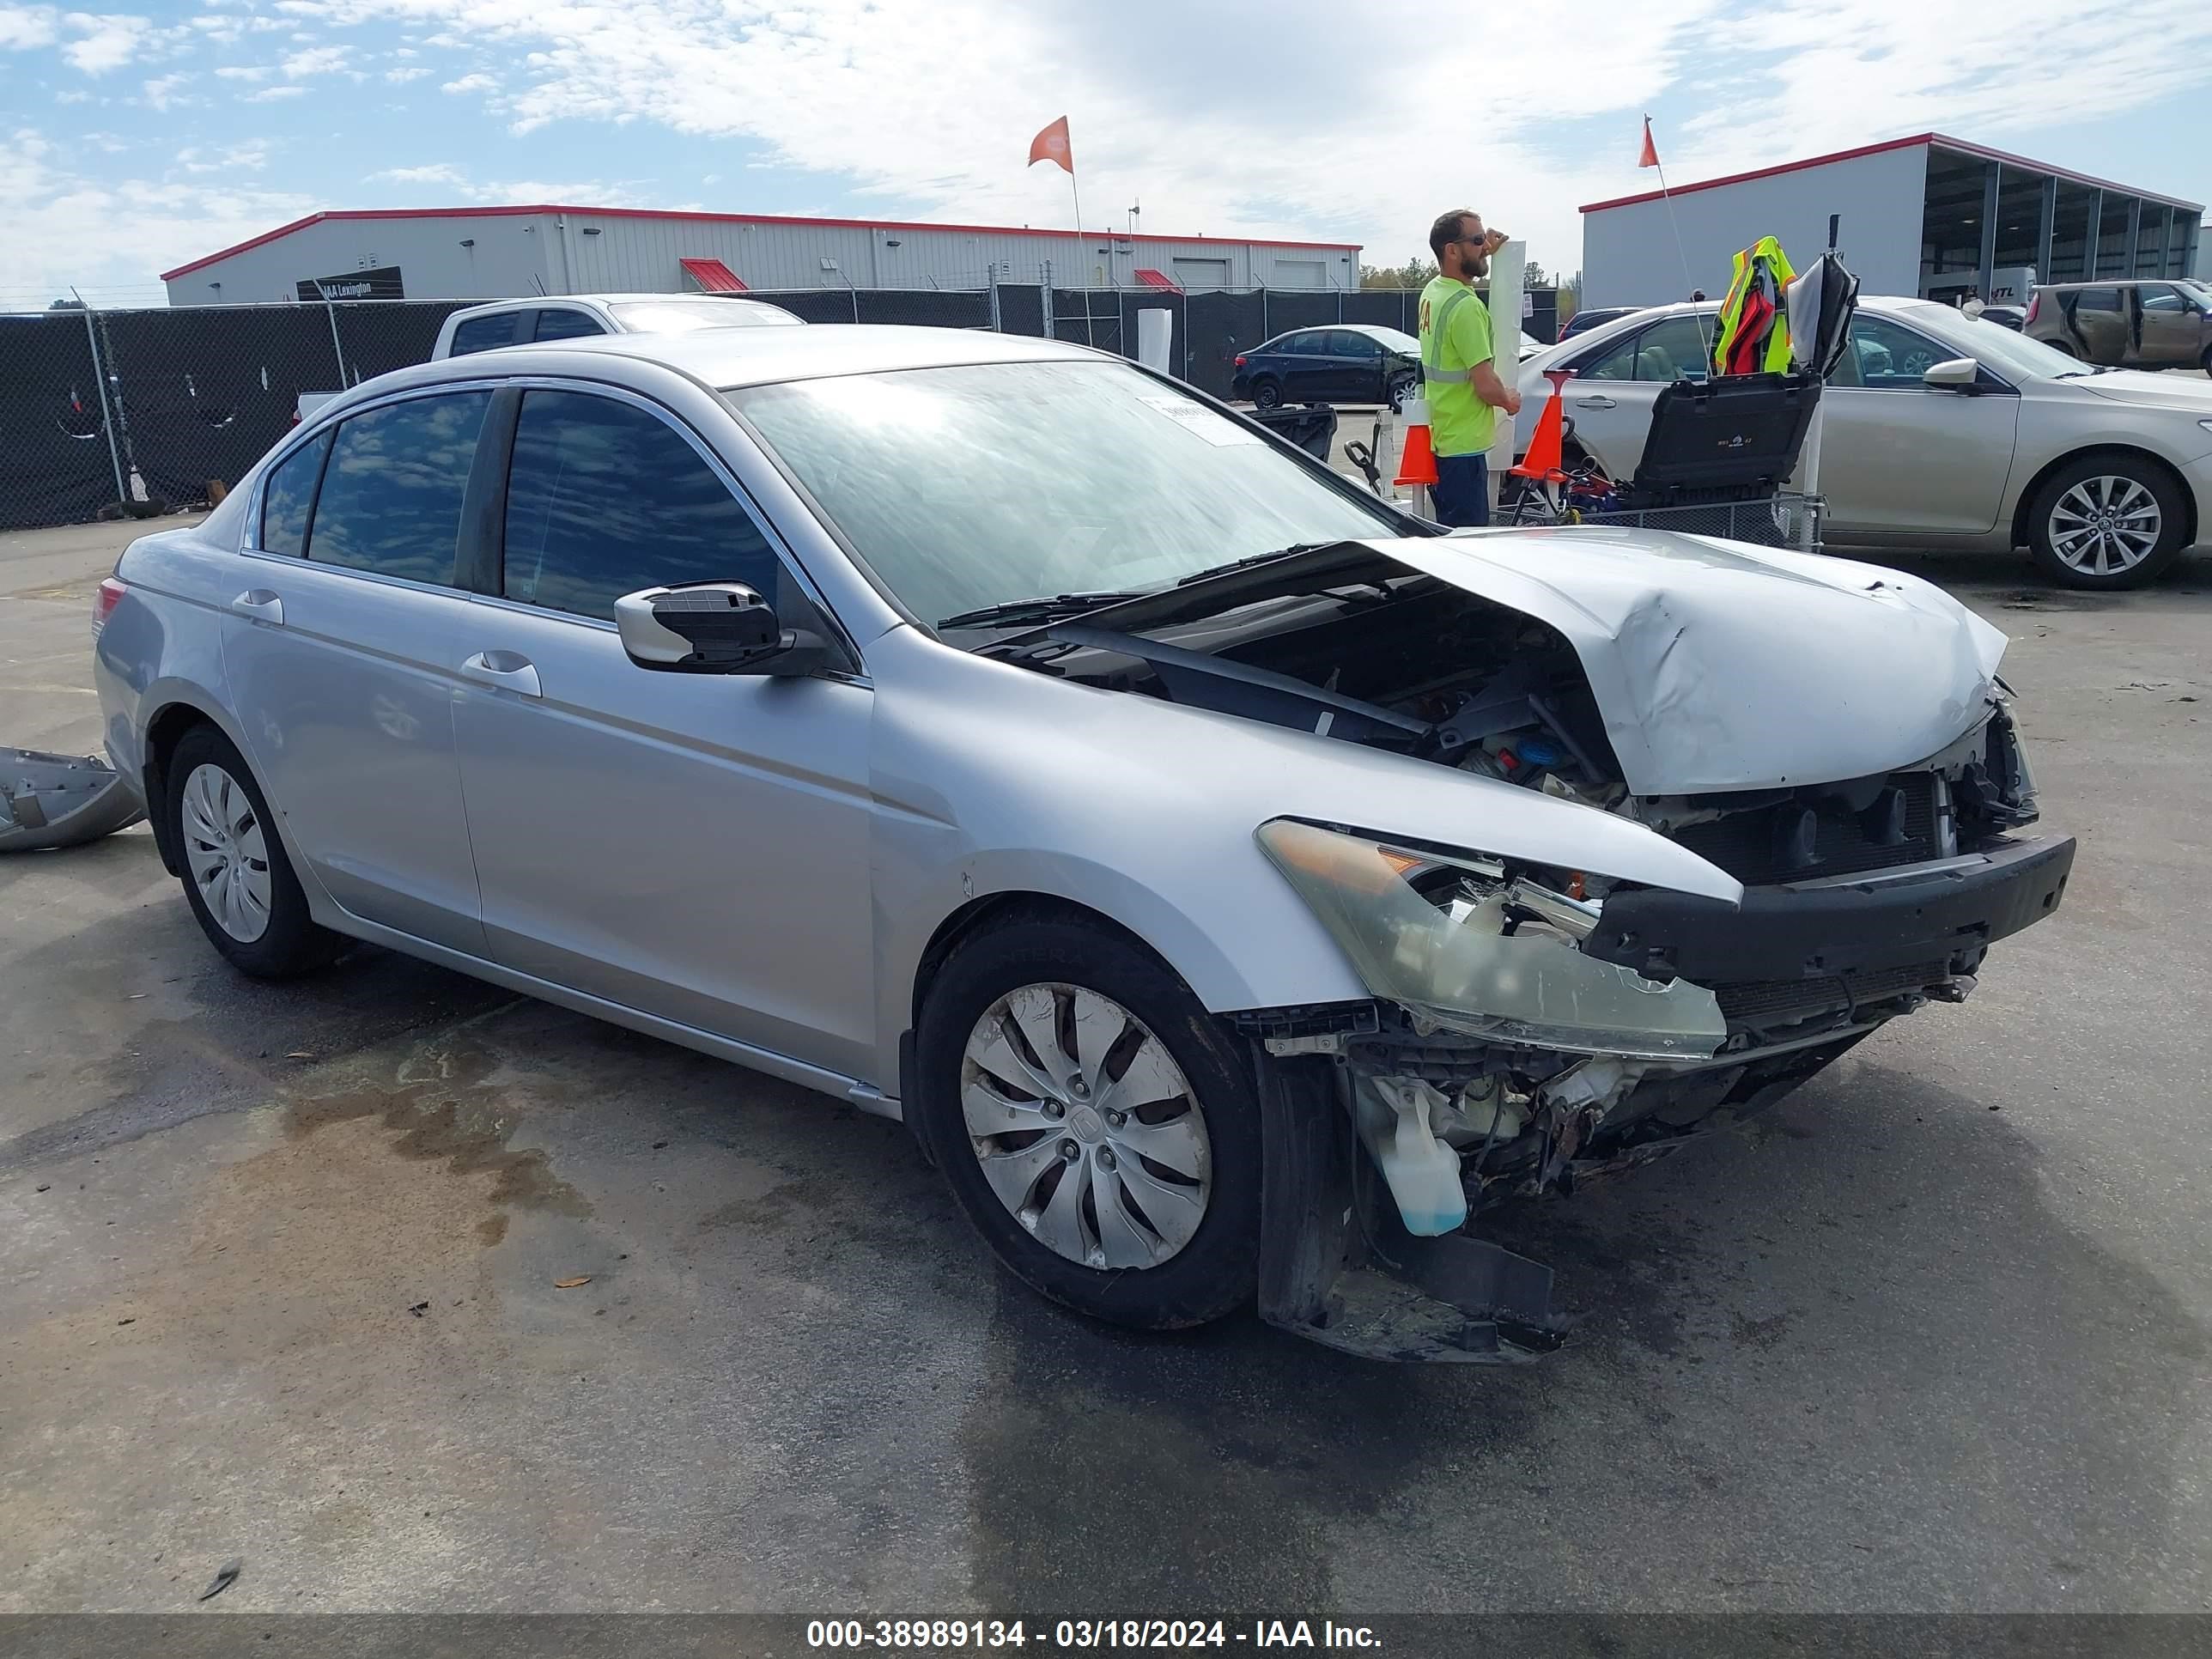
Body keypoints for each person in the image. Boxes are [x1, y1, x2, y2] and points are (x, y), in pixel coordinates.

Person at [1416, 208, 1522, 527]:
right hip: (1465, 448)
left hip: (1445, 436)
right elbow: (1485, 384)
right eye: (1476, 240)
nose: (1483, 245)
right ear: (1452, 250)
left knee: (1452, 537)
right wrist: (1509, 401)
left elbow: (1466, 264)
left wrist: (1483, 248)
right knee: (1470, 544)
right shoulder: (1467, 308)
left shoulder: (1434, 292)